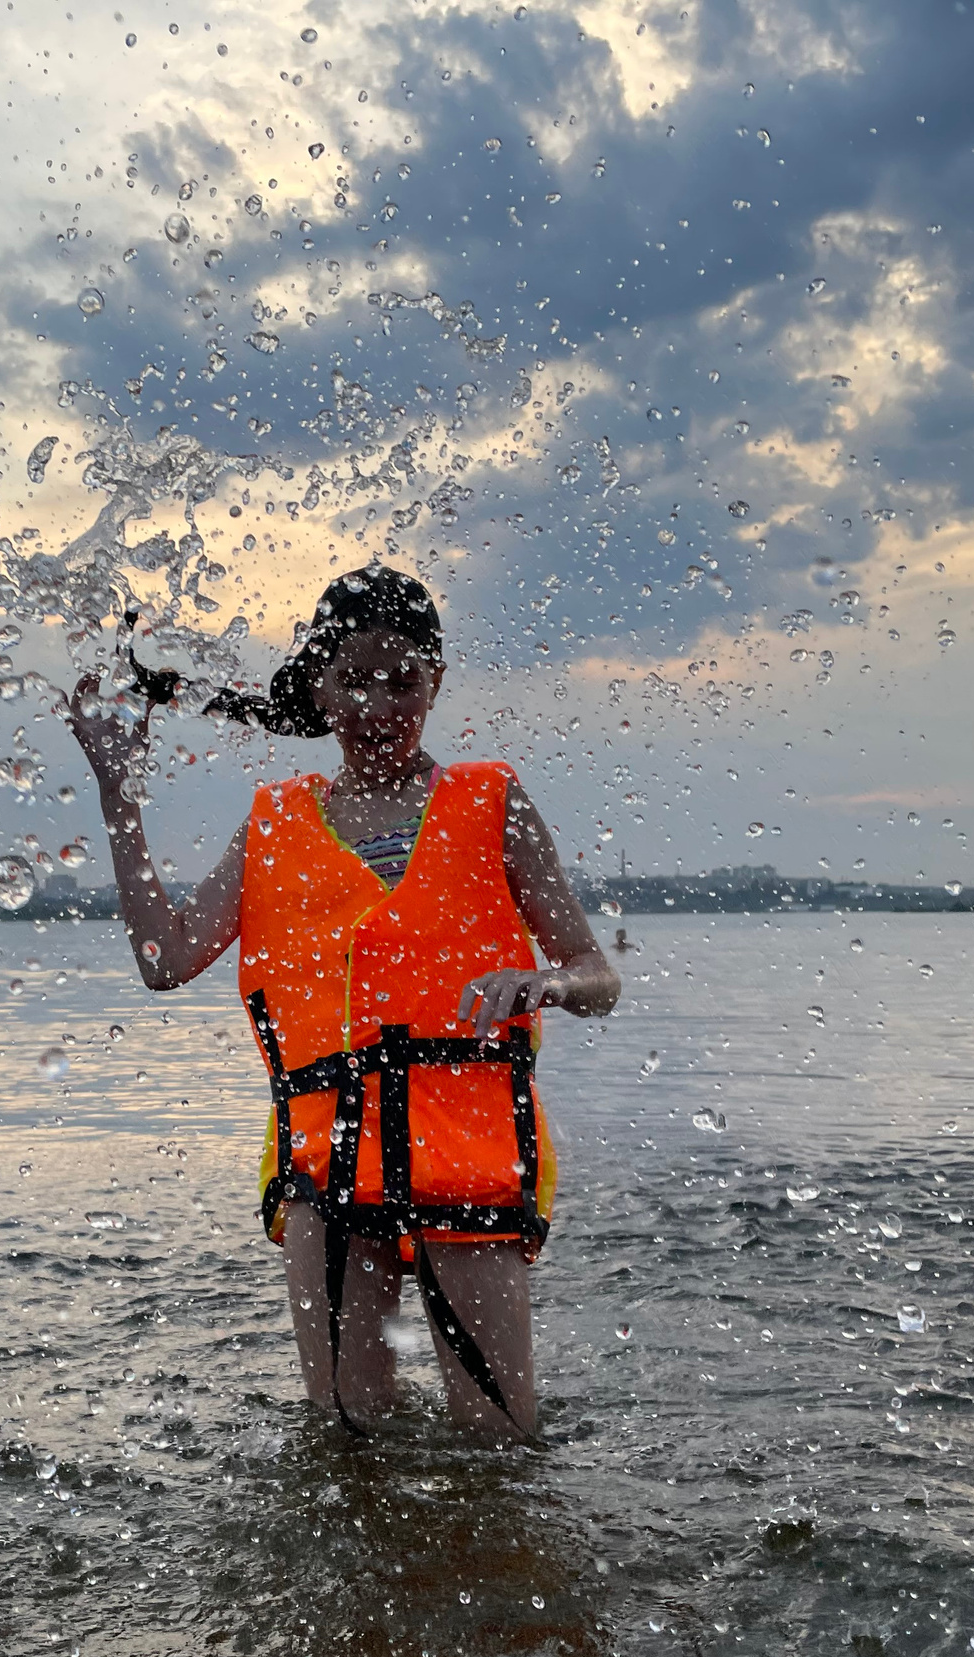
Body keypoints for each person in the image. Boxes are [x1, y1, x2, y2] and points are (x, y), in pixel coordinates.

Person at [64, 565, 619, 1441]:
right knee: (344, 1441)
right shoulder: (274, 825)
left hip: (469, 1156)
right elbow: (165, 961)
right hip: (327, 1165)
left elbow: (597, 973)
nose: (378, 705)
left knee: (502, 1443)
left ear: (437, 681)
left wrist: (545, 981)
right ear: (316, 687)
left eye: (403, 680)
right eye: (352, 680)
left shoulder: (492, 803)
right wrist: (118, 798)